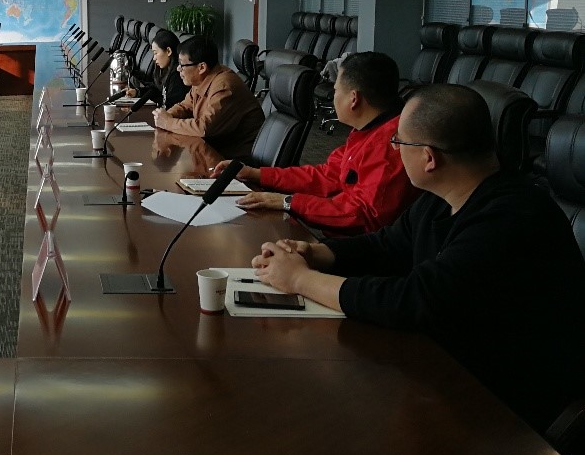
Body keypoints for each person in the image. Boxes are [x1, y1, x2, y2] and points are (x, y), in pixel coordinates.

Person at [251, 83, 585, 431]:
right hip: (448, 366)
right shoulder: (443, 196)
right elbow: (386, 245)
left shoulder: (512, 217)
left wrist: (300, 279)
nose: (394, 150)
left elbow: (416, 300)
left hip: (507, 409)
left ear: (429, 158)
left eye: (398, 142)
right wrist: (314, 253)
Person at [216, 51, 417, 234]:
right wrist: (257, 174)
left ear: (353, 99)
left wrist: (288, 202)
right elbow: (327, 176)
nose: (333, 96)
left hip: (361, 252)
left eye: (336, 90)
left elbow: (363, 216)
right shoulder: (368, 130)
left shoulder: (389, 147)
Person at [152, 36, 264, 162]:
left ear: (201, 67)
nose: (178, 69)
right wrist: (166, 115)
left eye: (182, 65)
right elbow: (185, 106)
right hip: (214, 152)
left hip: (235, 162)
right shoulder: (202, 79)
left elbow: (204, 128)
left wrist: (168, 123)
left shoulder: (224, 87)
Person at [127, 28, 188, 109]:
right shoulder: (165, 70)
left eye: (156, 53)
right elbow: (156, 89)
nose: (154, 58)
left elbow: (171, 107)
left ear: (168, 51)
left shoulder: (178, 76)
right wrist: (137, 92)